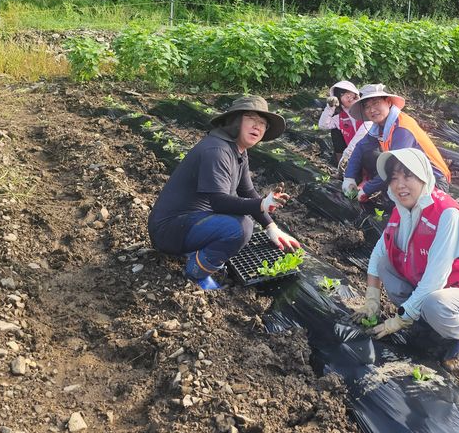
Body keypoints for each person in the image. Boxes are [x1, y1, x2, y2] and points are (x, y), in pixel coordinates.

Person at [350, 148, 459, 371]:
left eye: (408, 176)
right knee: (385, 265)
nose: (400, 185)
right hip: (436, 290)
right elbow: (378, 255)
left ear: (423, 176)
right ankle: (423, 321)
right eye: (394, 178)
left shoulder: (447, 214)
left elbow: (434, 281)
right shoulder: (401, 211)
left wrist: (399, 320)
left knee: (434, 302)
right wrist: (371, 300)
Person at [148, 95, 299, 290]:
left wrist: (271, 227)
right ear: (235, 121)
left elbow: (247, 190)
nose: (257, 126)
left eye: (263, 123)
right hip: (168, 231)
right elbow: (219, 202)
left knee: (243, 217)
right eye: (251, 119)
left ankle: (195, 249)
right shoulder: (216, 150)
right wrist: (262, 204)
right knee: (241, 227)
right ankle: (196, 271)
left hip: (188, 223)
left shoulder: (238, 150)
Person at [342, 84, 451, 202]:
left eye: (376, 103)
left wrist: (366, 190)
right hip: (410, 174)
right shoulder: (379, 126)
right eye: (367, 107)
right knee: (369, 154)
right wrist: (349, 177)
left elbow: (394, 166)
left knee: (395, 194)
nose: (372, 110)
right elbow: (360, 147)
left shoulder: (402, 128)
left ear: (388, 102)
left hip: (434, 181)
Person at [317, 80, 363, 163]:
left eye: (349, 91)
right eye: (342, 94)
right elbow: (323, 125)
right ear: (339, 101)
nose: (348, 96)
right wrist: (330, 107)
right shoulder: (340, 118)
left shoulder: (367, 108)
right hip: (353, 154)